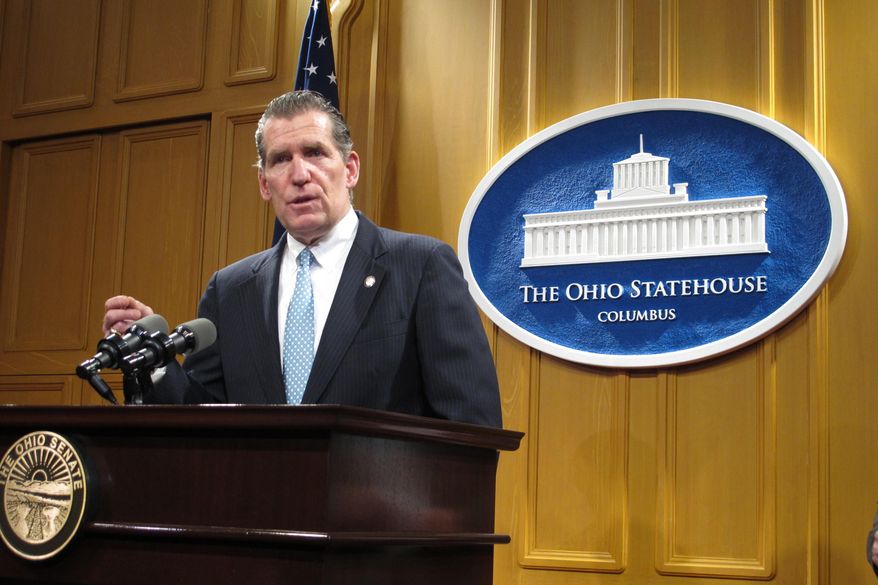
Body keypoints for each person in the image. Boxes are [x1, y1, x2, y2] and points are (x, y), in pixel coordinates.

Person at [103, 90, 502, 428]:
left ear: (350, 169)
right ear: (264, 183)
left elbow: (472, 424)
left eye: (315, 153)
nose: (300, 174)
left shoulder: (421, 266)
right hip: (258, 515)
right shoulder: (230, 289)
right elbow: (200, 417)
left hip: (381, 516)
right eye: (280, 159)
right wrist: (149, 358)